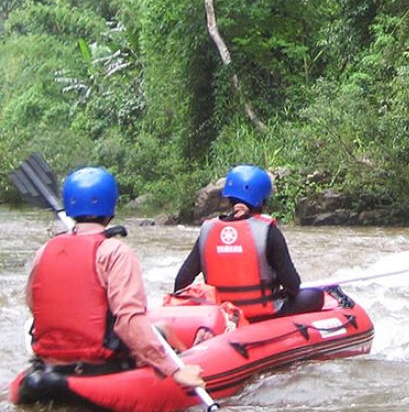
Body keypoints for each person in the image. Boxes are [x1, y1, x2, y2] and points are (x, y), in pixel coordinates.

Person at [26, 166, 205, 388]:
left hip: (49, 363)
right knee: (164, 329)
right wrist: (175, 370)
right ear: (111, 206)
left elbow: (35, 305)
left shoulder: (45, 251)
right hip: (100, 365)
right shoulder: (115, 252)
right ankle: (188, 359)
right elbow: (129, 322)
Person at [174, 164, 324, 321]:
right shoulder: (268, 231)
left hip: (223, 316)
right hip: (262, 315)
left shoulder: (208, 231)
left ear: (230, 197)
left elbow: (181, 283)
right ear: (261, 201)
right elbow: (293, 286)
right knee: (316, 296)